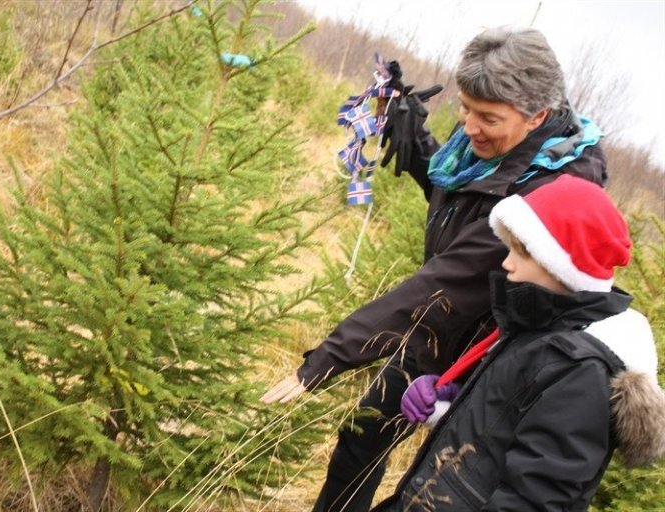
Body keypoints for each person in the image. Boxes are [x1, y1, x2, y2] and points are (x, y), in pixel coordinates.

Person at [261, 26, 608, 511]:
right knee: (362, 438)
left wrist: (332, 354)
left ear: (538, 116)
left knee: (435, 484)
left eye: (488, 117)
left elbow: (453, 277)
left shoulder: (552, 188)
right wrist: (415, 137)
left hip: (488, 359)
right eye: (465, 108)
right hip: (441, 328)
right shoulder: (490, 150)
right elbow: (462, 200)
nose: (469, 126)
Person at [372, 173, 665, 511]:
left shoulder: (580, 371)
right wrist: (450, 406)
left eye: (522, 253)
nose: (507, 262)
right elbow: (501, 436)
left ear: (561, 264)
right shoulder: (538, 329)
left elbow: (535, 500)